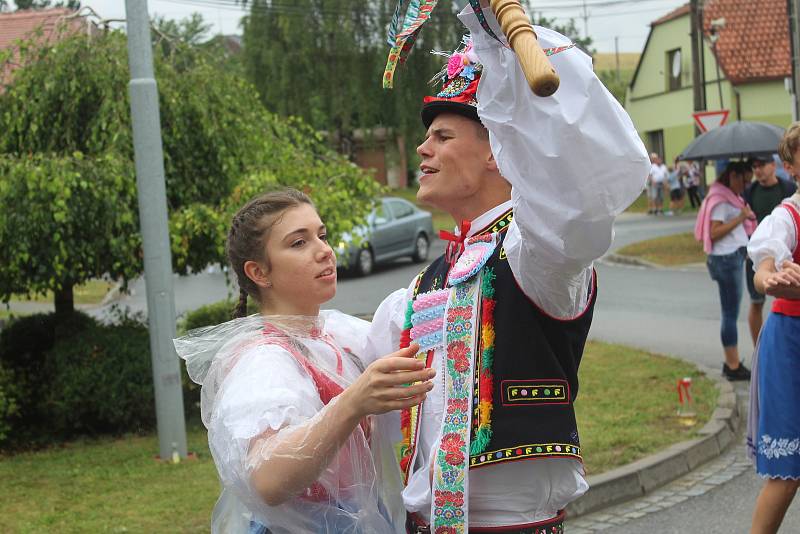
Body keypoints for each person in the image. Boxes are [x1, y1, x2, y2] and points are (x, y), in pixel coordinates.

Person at [367, 6, 649, 532]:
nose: (423, 151)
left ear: (499, 149)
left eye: (444, 138)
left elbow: (577, 205)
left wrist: (504, 55)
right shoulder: (415, 291)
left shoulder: (537, 255)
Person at [174, 189, 434, 534]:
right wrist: (352, 403)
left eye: (322, 236)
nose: (324, 251)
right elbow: (267, 480)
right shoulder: (263, 360)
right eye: (299, 243)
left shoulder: (336, 333)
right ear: (259, 272)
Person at [746, 126, 800, 534]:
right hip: (790, 343)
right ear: (790, 166)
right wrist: (772, 279)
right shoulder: (787, 215)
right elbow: (764, 268)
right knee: (787, 472)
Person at [695, 162, 756, 381]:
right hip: (727, 260)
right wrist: (740, 217)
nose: (746, 185)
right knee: (730, 314)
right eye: (745, 180)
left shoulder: (729, 196)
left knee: (729, 312)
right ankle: (732, 364)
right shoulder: (721, 200)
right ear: (733, 175)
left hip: (731, 258)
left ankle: (732, 361)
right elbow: (715, 232)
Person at [742, 155, 797, 346]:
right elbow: (764, 272)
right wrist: (766, 276)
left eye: (761, 165)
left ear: (774, 166)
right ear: (789, 167)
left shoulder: (786, 188)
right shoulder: (751, 191)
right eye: (754, 166)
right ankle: (758, 345)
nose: (757, 170)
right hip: (763, 250)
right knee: (757, 301)